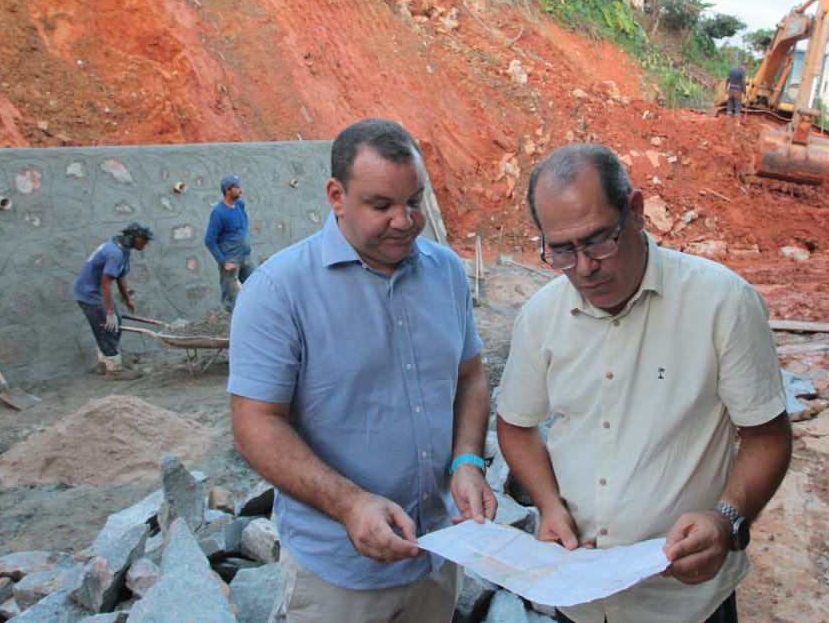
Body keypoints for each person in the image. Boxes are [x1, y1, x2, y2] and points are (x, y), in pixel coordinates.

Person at [496, 143, 791, 623]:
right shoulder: (540, 317)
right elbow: (515, 424)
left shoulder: (722, 302)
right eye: (562, 251)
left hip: (686, 603)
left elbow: (767, 435)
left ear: (634, 211)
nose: (584, 267)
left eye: (597, 241)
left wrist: (727, 519)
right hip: (581, 596)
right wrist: (550, 507)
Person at [228, 118, 496, 622]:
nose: (405, 220)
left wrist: (467, 460)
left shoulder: (447, 272)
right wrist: (349, 504)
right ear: (336, 195)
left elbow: (469, 377)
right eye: (381, 205)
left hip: (439, 558)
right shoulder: (278, 292)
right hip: (338, 580)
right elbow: (255, 424)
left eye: (414, 200)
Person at [72, 221, 155, 380]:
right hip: (88, 293)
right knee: (109, 326)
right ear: (135, 237)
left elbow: (120, 275)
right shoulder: (115, 252)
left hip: (94, 291)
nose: (146, 244)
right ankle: (114, 370)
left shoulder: (123, 250)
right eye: (144, 240)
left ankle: (104, 364)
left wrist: (127, 299)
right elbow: (106, 283)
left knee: (110, 325)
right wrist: (110, 312)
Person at [204, 174, 255, 312]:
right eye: (237, 187)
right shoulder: (219, 212)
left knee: (256, 287)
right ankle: (228, 327)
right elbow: (209, 240)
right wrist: (224, 262)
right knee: (231, 300)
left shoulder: (239, 204)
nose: (240, 190)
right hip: (231, 262)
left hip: (246, 258)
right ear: (227, 190)